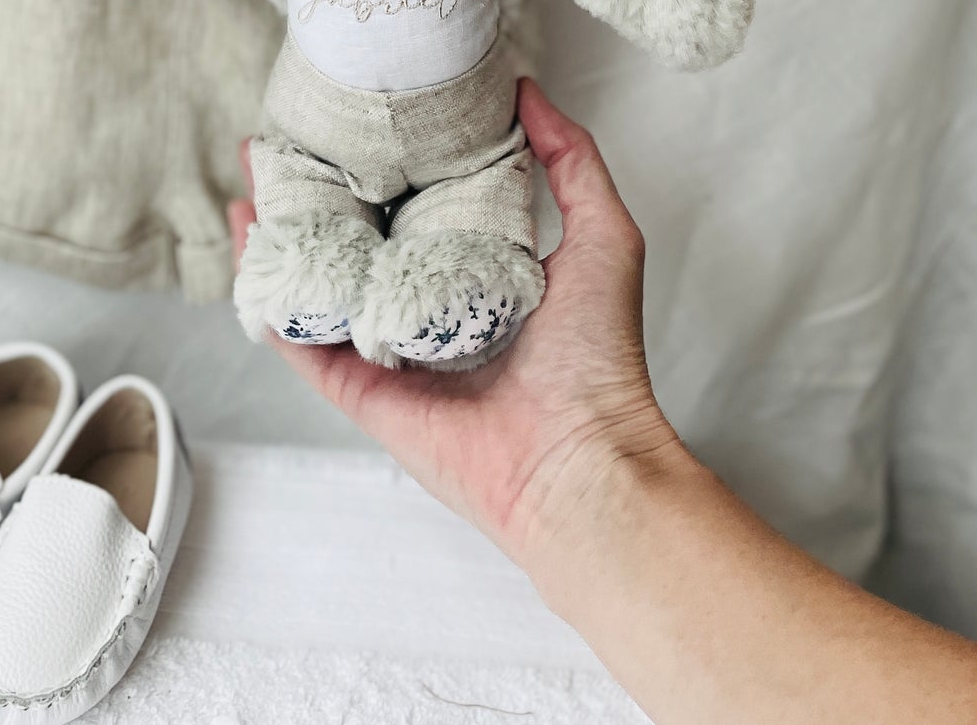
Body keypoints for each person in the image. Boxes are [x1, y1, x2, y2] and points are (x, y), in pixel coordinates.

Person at [228, 80, 977, 725]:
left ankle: (432, 290)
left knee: (462, 215)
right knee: (301, 183)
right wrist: (576, 467)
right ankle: (316, 260)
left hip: (464, 160)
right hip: (317, 125)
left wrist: (574, 465)